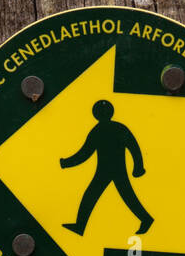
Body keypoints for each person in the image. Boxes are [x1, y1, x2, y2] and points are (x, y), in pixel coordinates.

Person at [60, 99, 153, 235]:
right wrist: (138, 167)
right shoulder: (118, 128)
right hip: (110, 170)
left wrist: (65, 163)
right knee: (104, 195)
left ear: (95, 114)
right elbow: (134, 148)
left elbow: (85, 153)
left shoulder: (98, 130)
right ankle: (80, 226)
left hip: (109, 170)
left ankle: (146, 219)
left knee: (104, 195)